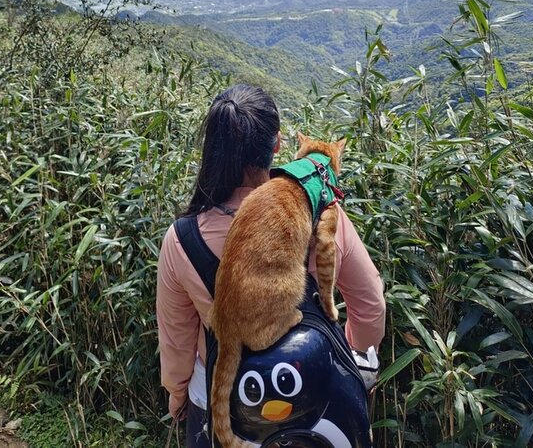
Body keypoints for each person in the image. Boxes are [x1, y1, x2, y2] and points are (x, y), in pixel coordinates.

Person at [156, 84, 386, 447]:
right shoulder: (324, 214)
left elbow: (177, 343)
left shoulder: (181, 239)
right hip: (316, 402)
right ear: (277, 144)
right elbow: (371, 305)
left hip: (223, 403)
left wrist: (177, 394)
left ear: (212, 149)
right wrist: (350, 364)